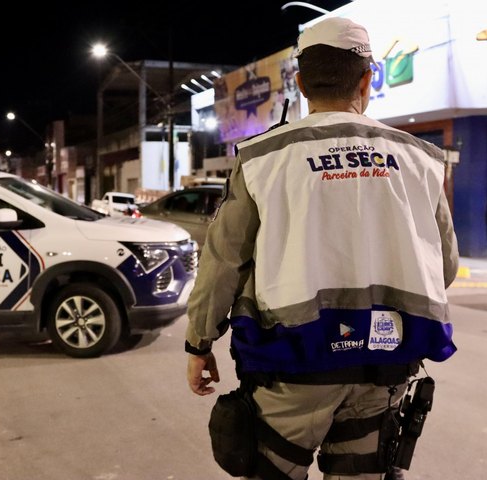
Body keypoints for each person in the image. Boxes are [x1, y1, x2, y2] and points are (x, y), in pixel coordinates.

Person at [185, 17, 459, 480]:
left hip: (291, 367)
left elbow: (223, 261)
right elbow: (445, 266)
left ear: (300, 82)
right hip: (384, 363)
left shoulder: (263, 159)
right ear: (368, 79)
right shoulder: (420, 159)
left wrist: (199, 342)